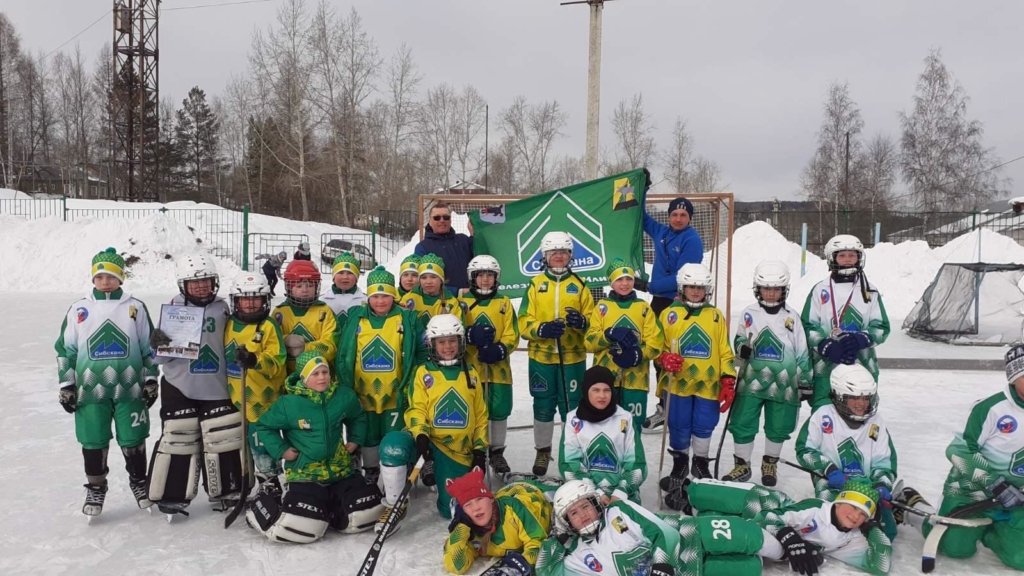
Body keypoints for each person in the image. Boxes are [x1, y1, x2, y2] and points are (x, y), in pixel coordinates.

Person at [55, 247, 159, 517]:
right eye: (99, 276)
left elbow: (148, 348)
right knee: (93, 440)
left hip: (130, 388)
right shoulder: (80, 308)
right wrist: (67, 386)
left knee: (134, 439)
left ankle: (139, 482)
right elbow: (66, 351)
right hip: (90, 389)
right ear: (93, 279)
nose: (105, 282)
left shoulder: (135, 307)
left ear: (121, 278)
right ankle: (96, 487)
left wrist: (150, 380)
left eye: (111, 276)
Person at [245, 351, 385, 543]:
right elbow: (264, 426)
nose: (322, 377)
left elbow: (357, 416)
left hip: (341, 472)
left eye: (325, 372)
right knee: (302, 527)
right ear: (303, 377)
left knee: (366, 513)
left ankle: (333, 509)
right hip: (306, 475)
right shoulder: (289, 404)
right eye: (315, 373)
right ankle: (263, 508)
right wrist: (282, 450)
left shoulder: (342, 396)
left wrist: (354, 440)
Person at [146, 254, 244, 517]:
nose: (201, 287)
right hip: (180, 384)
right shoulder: (173, 308)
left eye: (206, 281)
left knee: (223, 437)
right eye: (194, 283)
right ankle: (172, 493)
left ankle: (228, 488)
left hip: (217, 385)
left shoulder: (224, 308)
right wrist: (156, 343)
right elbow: (159, 358)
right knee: (180, 437)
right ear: (183, 285)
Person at [378, 314, 489, 531]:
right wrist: (421, 437)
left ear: (460, 342)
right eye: (441, 342)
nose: (447, 347)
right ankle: (394, 506)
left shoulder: (472, 374)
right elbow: (416, 409)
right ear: (432, 344)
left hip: (456, 450)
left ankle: (438, 470)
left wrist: (479, 450)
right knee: (393, 446)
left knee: (452, 509)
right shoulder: (424, 373)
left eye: (452, 341)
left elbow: (481, 416)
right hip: (429, 441)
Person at [919, 344, 1024, 569]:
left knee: (1021, 559)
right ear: (1014, 377)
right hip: (971, 491)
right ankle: (923, 518)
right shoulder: (991, 409)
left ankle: (992, 529)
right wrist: (994, 483)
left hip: (1016, 498)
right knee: (955, 549)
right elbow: (958, 449)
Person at [688, 477, 895, 575]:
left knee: (748, 565)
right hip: (768, 509)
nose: (855, 516)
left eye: (863, 514)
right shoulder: (815, 509)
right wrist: (790, 537)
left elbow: (881, 566)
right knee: (761, 499)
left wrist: (873, 530)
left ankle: (698, 531)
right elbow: (767, 517)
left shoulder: (854, 538)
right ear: (838, 502)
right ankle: (686, 491)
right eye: (852, 507)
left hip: (767, 542)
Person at [335, 266, 427, 486]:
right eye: (375, 296)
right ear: (368, 297)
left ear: (393, 296)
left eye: (385, 296)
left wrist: (415, 381)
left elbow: (422, 351)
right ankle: (371, 471)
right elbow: (344, 352)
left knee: (394, 434)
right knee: (368, 435)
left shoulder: (408, 317)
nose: (380, 301)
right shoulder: (356, 318)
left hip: (396, 391)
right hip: (363, 391)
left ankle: (397, 470)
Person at [723, 261, 812, 486]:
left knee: (779, 424)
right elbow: (741, 338)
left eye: (776, 289)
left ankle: (769, 463)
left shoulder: (792, 316)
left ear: (784, 290)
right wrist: (741, 347)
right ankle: (741, 466)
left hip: (785, 382)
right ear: (758, 288)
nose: (771, 293)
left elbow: (802, 349)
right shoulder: (748, 313)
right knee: (743, 421)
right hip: (751, 378)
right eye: (766, 288)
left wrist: (804, 380)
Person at [656, 263, 735, 503]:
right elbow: (657, 344)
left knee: (704, 424)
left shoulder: (715, 315)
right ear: (682, 288)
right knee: (679, 424)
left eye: (700, 287)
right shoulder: (669, 313)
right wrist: (663, 358)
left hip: (708, 383)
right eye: (691, 287)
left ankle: (700, 463)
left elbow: (724, 350)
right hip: (677, 382)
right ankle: (679, 463)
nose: (695, 291)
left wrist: (728, 378)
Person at [519, 231, 596, 476]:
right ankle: (543, 451)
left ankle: (571, 452)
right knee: (542, 405)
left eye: (563, 252)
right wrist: (541, 328)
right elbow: (523, 322)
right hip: (541, 358)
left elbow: (595, 322)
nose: (559, 256)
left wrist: (582, 322)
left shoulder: (581, 285)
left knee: (571, 407)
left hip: (572, 357)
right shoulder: (535, 284)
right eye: (554, 252)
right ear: (545, 256)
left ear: (570, 255)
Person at [795, 364, 899, 540]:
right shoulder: (822, 416)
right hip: (831, 481)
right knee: (834, 523)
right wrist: (828, 469)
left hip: (866, 484)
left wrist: (881, 484)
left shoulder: (877, 422)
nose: (861, 404)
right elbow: (804, 450)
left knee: (886, 532)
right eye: (854, 398)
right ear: (839, 396)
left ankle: (897, 508)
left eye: (866, 398)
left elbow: (885, 461)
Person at [802, 234, 890, 408]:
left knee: (859, 412)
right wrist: (825, 345)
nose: (848, 260)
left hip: (862, 363)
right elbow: (807, 325)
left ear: (859, 257)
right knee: (824, 413)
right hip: (825, 365)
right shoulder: (820, 290)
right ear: (832, 258)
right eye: (842, 255)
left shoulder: (870, 291)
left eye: (852, 255)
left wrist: (861, 339)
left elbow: (881, 326)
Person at [641, 196, 704, 434]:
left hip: (679, 303)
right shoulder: (662, 232)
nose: (678, 219)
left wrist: (649, 286)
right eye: (675, 215)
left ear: (689, 218)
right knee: (660, 354)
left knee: (677, 355)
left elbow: (681, 275)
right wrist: (641, 189)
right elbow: (642, 219)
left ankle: (678, 407)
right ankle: (665, 407)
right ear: (669, 216)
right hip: (659, 302)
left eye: (683, 215)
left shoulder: (692, 240)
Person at [536, 479, 682, 576]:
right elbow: (545, 571)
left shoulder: (619, 511)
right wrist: (558, 539)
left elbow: (667, 534)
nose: (583, 515)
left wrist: (662, 567)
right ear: (566, 522)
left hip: (691, 543)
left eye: (585, 506)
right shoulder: (577, 555)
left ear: (595, 503)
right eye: (574, 513)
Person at [224, 273, 287, 493]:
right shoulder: (229, 323)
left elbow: (277, 360)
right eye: (245, 299)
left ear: (265, 300)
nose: (250, 304)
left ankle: (270, 484)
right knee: (240, 444)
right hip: (235, 396)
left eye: (256, 299)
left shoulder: (268, 326)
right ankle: (241, 483)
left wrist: (255, 360)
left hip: (264, 400)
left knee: (263, 443)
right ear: (236, 301)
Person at [584, 259, 662, 431]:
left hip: (636, 381)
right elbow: (589, 342)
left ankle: (634, 459)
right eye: (619, 279)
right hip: (605, 380)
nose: (625, 283)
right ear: (611, 282)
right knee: (605, 427)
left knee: (631, 429)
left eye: (629, 278)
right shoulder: (602, 307)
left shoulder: (643, 308)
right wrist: (608, 335)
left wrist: (636, 355)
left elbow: (655, 344)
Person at [459, 255, 520, 476]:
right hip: (472, 368)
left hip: (499, 370)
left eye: (490, 275)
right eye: (480, 275)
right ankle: (475, 450)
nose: (485, 280)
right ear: (472, 277)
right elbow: (454, 330)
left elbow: (512, 333)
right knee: (475, 409)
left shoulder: (504, 302)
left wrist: (500, 349)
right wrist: (469, 335)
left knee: (499, 410)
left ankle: (496, 452)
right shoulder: (463, 302)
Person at [559, 366, 646, 503]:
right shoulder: (573, 419)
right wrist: (595, 492)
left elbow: (636, 462)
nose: (602, 396)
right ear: (586, 391)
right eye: (596, 390)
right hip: (586, 494)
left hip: (622, 495)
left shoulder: (624, 418)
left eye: (607, 390)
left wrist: (621, 492)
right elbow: (569, 463)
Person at [443, 469, 553, 575]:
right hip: (504, 493)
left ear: (491, 499)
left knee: (560, 496)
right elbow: (456, 566)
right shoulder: (469, 532)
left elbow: (539, 543)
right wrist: (460, 526)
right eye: (468, 504)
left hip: (529, 493)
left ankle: (525, 479)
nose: (476, 508)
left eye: (479, 499)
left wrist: (519, 566)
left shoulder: (515, 509)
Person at [273, 258, 337, 374]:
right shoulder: (280, 313)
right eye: (298, 286)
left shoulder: (324, 311)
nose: (305, 290)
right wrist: (284, 340)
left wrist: (305, 348)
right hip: (286, 376)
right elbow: (270, 344)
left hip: (318, 376)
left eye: (310, 285)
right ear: (289, 286)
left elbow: (331, 346)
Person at [415, 203, 475, 291]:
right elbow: (422, 282)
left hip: (470, 298)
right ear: (430, 221)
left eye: (446, 217)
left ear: (450, 220)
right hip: (442, 301)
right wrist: (456, 292)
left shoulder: (464, 240)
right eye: (437, 218)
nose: (442, 220)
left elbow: (481, 254)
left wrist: (474, 233)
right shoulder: (423, 247)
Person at [402, 253, 465, 324]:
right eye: (424, 277)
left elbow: (458, 330)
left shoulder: (451, 303)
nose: (428, 282)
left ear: (441, 280)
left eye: (433, 277)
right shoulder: (409, 298)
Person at [320, 252, 366, 327]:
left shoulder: (365, 301)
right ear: (333, 278)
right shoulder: (322, 301)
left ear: (356, 278)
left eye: (350, 273)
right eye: (341, 273)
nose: (345, 277)